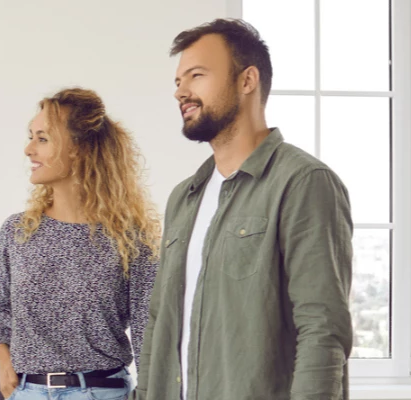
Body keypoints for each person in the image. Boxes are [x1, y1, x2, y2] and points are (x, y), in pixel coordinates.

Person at [134, 18, 354, 400]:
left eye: (196, 75)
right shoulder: (183, 198)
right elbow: (158, 322)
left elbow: (322, 328)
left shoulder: (303, 182)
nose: (180, 92)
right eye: (178, 81)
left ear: (247, 80)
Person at [0, 87, 162, 400]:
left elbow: (147, 331)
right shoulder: (17, 231)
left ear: (79, 148)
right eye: (31, 136)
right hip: (27, 393)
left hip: (101, 392)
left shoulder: (132, 239)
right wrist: (4, 362)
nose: (28, 149)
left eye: (42, 139)